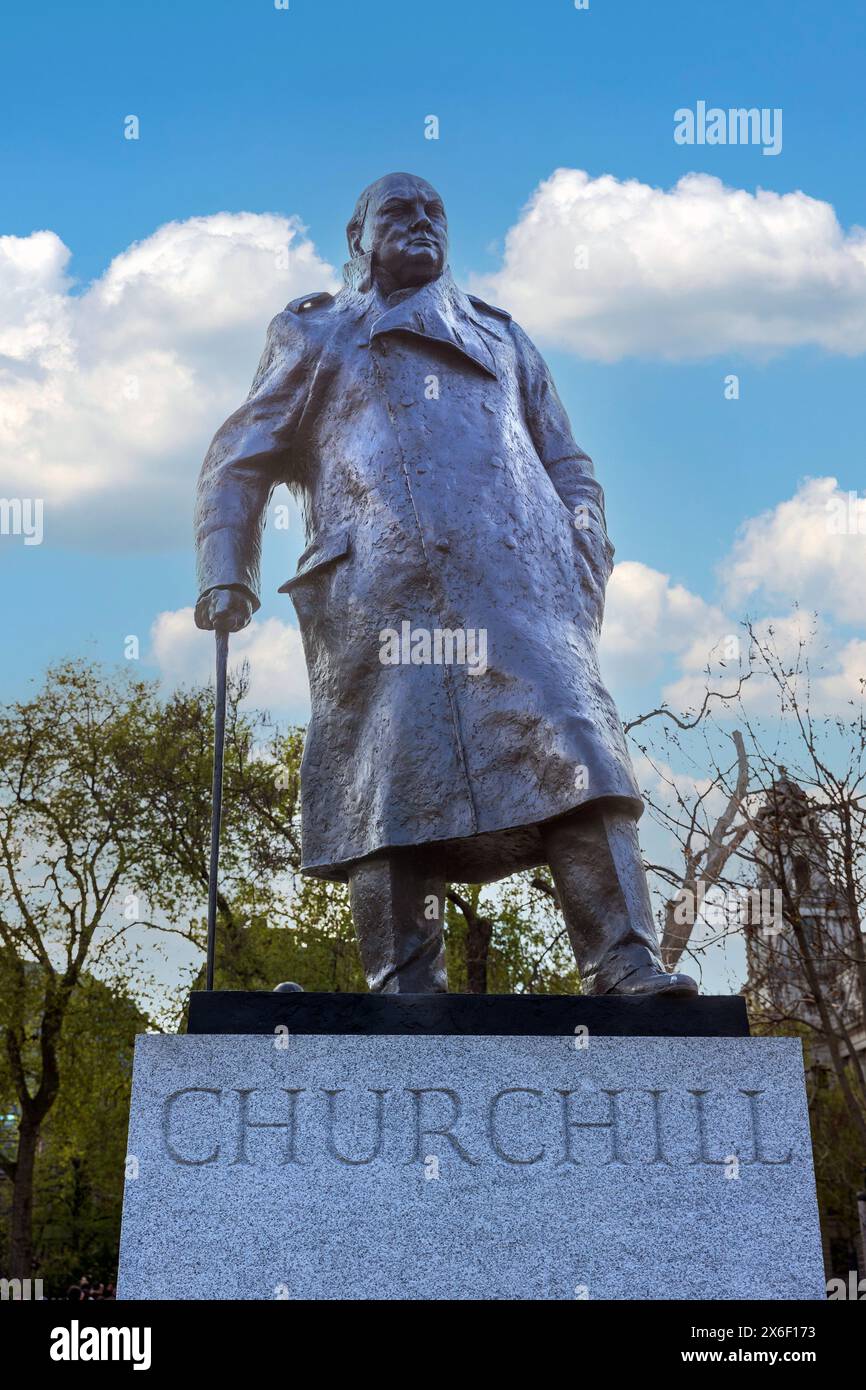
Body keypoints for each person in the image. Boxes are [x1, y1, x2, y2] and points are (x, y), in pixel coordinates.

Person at [195, 172, 697, 998]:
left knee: (579, 750)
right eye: (400, 210)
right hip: (381, 597)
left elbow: (568, 460)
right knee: (390, 779)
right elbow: (238, 460)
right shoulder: (319, 335)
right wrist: (226, 570)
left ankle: (623, 960)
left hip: (521, 591)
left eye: (435, 211)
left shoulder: (501, 336)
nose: (422, 221)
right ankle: (402, 981)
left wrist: (583, 545)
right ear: (359, 239)